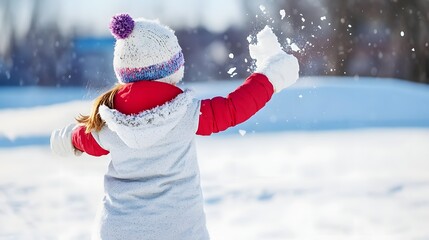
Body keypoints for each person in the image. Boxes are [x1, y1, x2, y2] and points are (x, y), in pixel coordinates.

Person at [50, 13, 299, 240]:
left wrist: (67, 140)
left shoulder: (109, 123)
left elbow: (84, 140)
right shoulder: (185, 114)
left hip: (118, 232)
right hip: (179, 231)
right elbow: (235, 107)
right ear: (172, 68)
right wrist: (270, 77)